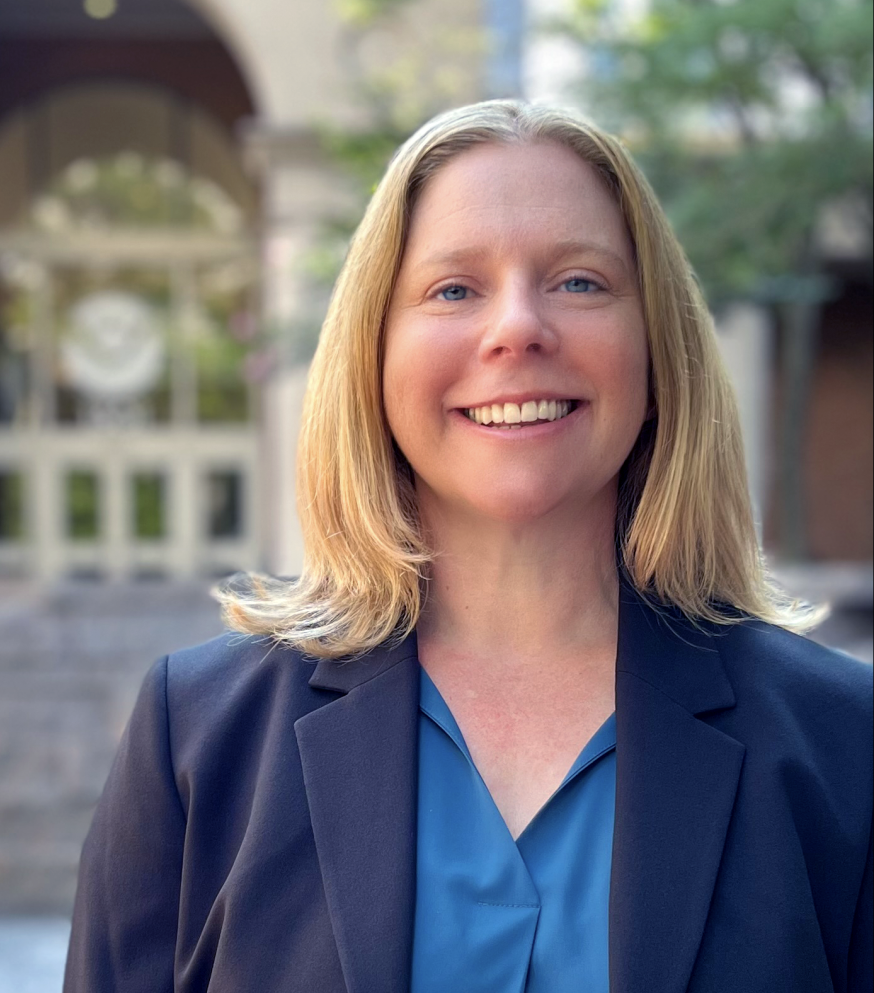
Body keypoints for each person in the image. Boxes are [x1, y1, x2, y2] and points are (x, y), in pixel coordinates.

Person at [63, 101, 873, 993]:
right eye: (453, 289)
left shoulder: (843, 744)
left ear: (657, 357)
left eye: (579, 282)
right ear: (373, 357)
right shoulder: (200, 735)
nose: (517, 327)